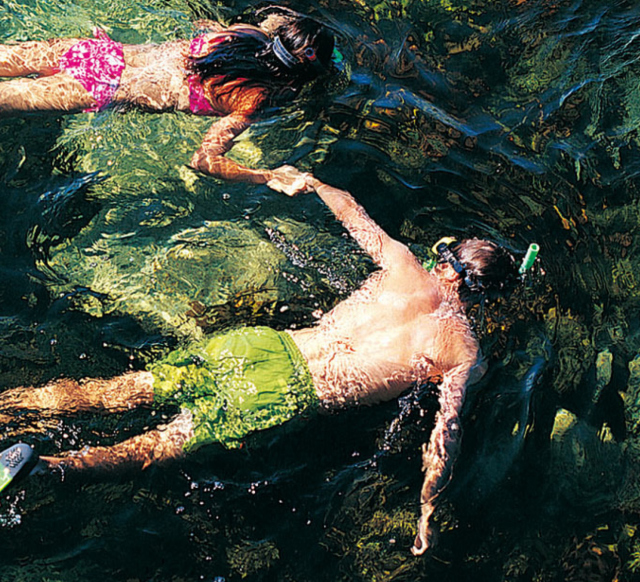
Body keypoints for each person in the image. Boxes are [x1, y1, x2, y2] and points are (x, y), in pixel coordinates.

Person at [0, 177, 520, 554]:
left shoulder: (404, 262)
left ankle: (8, 407)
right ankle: (43, 467)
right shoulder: (462, 349)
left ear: (447, 257)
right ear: (484, 298)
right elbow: (443, 432)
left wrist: (306, 180)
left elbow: (349, 205)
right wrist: (428, 506)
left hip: (261, 346)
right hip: (284, 391)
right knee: (153, 448)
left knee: (122, 389)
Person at [0, 8, 335, 192]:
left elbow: (203, 23)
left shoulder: (243, 33)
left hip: (100, 51)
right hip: (101, 88)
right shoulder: (256, 99)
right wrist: (267, 176)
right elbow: (203, 160)